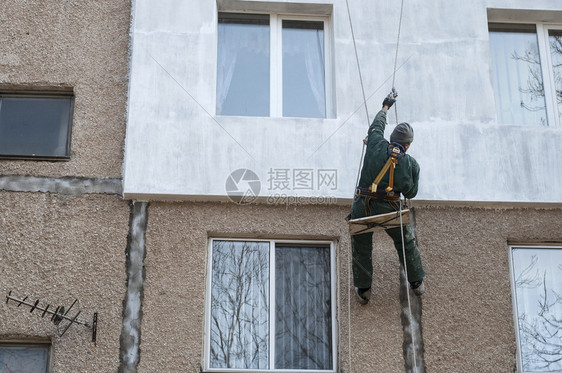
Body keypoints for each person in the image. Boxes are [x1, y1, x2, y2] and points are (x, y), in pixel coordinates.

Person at [350, 94, 425, 305]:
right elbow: (410, 193)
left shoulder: (375, 143)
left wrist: (385, 107)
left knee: (361, 242)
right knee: (405, 242)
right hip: (389, 207)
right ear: (407, 146)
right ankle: (417, 282)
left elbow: (376, 126)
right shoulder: (410, 163)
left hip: (363, 205)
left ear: (391, 138)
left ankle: (364, 289)